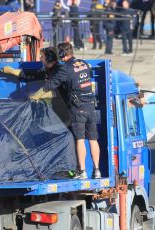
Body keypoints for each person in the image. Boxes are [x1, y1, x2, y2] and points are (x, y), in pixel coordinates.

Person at [30, 42, 101, 180]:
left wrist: (35, 96)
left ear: (62, 54)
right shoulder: (85, 64)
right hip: (91, 106)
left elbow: (50, 85)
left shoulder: (65, 69)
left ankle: (82, 171)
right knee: (93, 139)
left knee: (80, 139)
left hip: (78, 108)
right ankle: (97, 170)